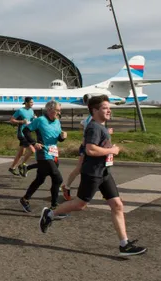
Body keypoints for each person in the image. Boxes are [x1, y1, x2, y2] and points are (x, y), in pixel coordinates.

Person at [39, 95, 147, 256]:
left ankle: (124, 245)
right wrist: (112, 150)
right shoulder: (94, 127)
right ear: (94, 110)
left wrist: (109, 147)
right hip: (93, 174)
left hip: (104, 172)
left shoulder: (101, 126)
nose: (109, 110)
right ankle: (50, 214)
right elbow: (90, 149)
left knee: (117, 205)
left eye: (109, 107)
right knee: (80, 205)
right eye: (105, 107)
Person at [18, 100, 67, 213]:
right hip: (43, 154)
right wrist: (34, 143)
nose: (59, 113)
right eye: (57, 110)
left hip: (54, 154)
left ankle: (25, 199)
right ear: (50, 110)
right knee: (58, 178)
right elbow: (26, 130)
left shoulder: (57, 121)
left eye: (60, 111)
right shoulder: (40, 120)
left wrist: (63, 137)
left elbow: (58, 138)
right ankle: (54, 206)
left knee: (40, 179)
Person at [60, 114, 93, 200]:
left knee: (100, 169)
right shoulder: (92, 118)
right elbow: (82, 125)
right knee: (79, 169)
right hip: (87, 147)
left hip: (94, 147)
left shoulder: (92, 117)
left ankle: (109, 195)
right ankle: (66, 187)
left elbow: (82, 124)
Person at [8, 97, 36, 176]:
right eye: (31, 102)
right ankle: (21, 165)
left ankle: (12, 168)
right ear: (26, 103)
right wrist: (21, 121)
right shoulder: (20, 111)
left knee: (21, 153)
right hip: (21, 134)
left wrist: (35, 119)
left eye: (32, 102)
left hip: (28, 133)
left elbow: (31, 120)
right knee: (32, 150)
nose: (32, 104)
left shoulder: (31, 111)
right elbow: (12, 120)